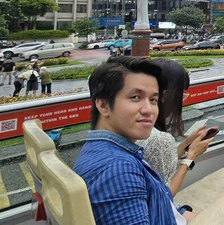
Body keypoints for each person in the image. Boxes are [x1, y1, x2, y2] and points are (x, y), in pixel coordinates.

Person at [73, 56, 194, 224]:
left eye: (153, 100)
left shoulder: (103, 148)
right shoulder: (118, 169)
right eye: (135, 97)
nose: (149, 110)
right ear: (103, 105)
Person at [138, 58, 215, 196]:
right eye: (182, 94)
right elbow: (164, 198)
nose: (183, 100)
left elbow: (159, 163)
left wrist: (186, 144)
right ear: (165, 95)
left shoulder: (135, 129)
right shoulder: (158, 139)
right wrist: (190, 157)